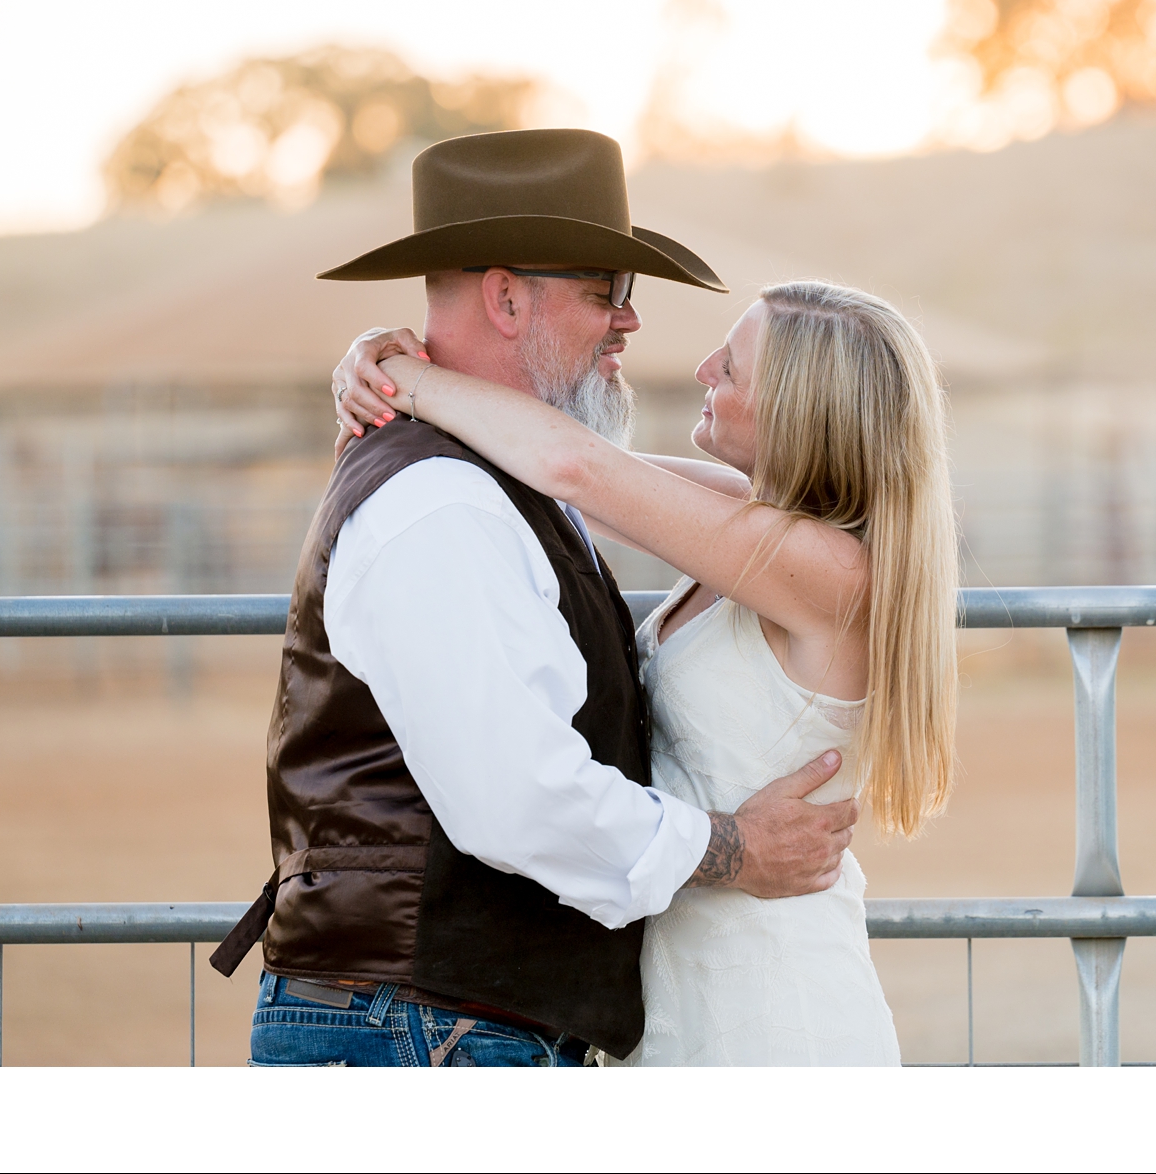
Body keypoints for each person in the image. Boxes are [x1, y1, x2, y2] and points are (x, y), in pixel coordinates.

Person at [209, 129, 860, 1068]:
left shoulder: (507, 477)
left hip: (445, 1027)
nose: (630, 323)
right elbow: (517, 801)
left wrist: (405, 374)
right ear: (508, 297)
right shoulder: (444, 501)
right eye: (608, 291)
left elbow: (596, 469)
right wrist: (729, 851)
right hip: (421, 1032)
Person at [331, 265, 960, 1064]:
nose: (701, 371)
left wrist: (407, 380)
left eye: (729, 367)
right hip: (682, 981)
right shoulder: (755, 522)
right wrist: (370, 364)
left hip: (769, 1002)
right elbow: (575, 473)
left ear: (799, 411)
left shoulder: (828, 570)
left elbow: (575, 470)